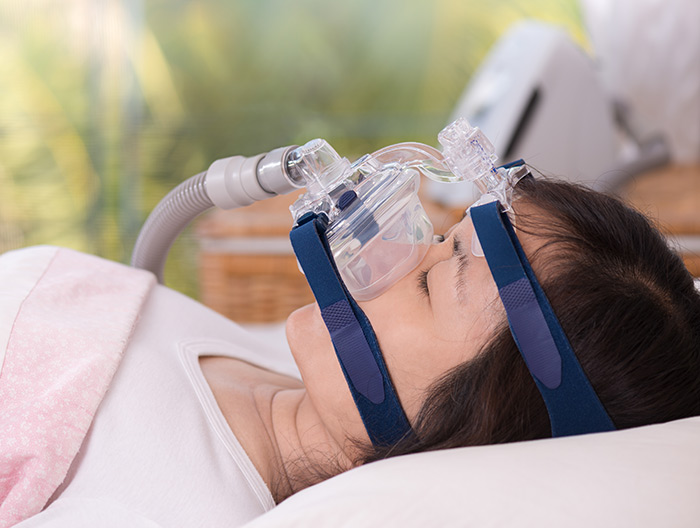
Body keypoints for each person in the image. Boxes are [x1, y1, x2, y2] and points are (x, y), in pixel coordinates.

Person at [6, 175, 700, 527]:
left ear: (472, 429)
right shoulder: (255, 365)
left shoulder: (158, 508)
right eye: (442, 239)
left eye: (429, 282)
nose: (392, 250)